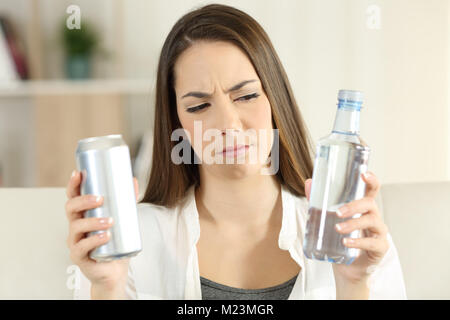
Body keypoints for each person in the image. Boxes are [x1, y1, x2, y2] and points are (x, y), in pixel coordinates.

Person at [64, 3, 406, 300]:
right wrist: (107, 288)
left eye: (245, 96)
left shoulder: (351, 237)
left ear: (275, 100)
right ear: (177, 123)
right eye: (199, 106)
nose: (228, 124)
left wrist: (354, 284)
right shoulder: (128, 243)